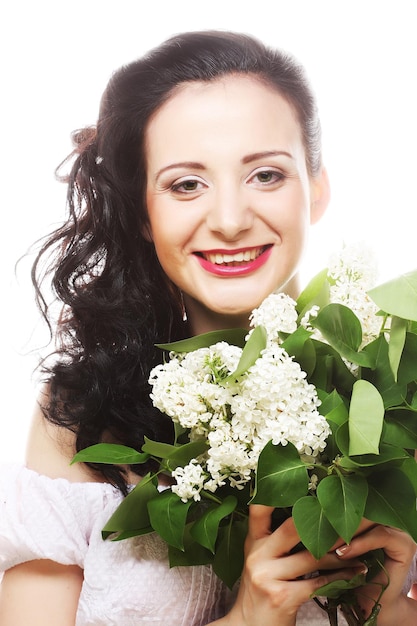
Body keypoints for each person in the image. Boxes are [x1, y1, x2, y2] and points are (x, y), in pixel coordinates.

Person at [0, 30, 416, 626]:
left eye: (266, 175)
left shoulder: (395, 386)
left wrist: (389, 608)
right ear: (144, 212)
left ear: (317, 188)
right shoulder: (84, 414)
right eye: (186, 184)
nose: (228, 220)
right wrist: (246, 619)